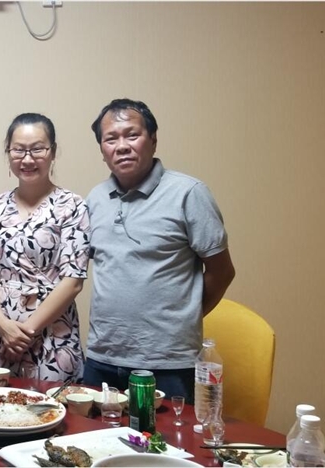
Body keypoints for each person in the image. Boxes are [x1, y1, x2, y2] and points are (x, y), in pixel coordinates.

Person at [84, 98, 236, 401]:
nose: (122, 146)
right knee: (93, 432)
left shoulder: (188, 193)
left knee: (168, 434)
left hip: (168, 364)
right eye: (111, 139)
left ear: (153, 140)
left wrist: (182, 319)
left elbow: (222, 271)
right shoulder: (95, 199)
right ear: (102, 150)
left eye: (132, 135)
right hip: (102, 358)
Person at [0, 113, 90, 382]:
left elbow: (73, 280)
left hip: (52, 337)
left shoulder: (73, 206)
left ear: (53, 152)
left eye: (37, 149)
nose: (27, 159)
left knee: (52, 406)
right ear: (8, 153)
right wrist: (2, 326)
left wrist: (25, 332)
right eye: (18, 150)